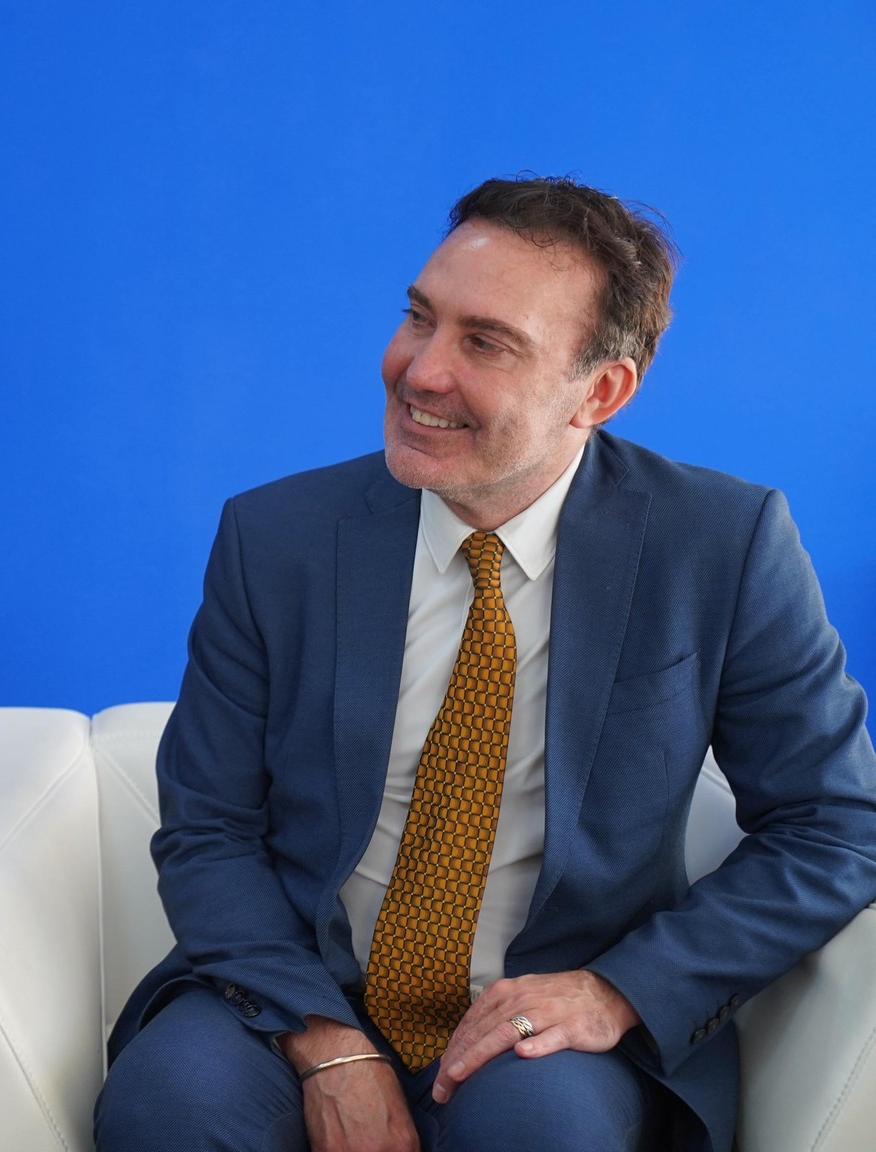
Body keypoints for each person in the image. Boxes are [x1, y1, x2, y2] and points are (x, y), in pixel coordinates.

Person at [94, 176, 876, 1152]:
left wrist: (618, 990)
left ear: (600, 391)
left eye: (485, 343)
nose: (419, 371)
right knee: (169, 1104)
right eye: (419, 317)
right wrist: (325, 1043)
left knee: (540, 1132)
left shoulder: (719, 544)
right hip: (293, 991)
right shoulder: (277, 538)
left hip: (551, 1012)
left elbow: (835, 826)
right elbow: (208, 827)